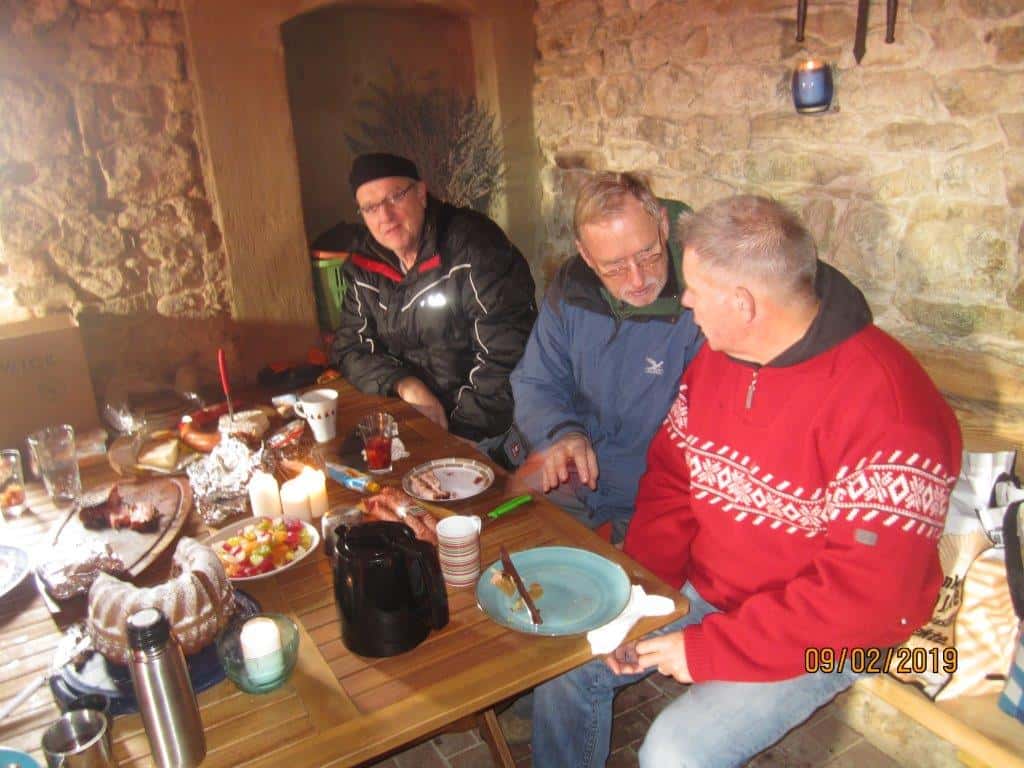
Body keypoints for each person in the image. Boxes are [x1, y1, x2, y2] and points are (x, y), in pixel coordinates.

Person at [531, 195, 962, 768]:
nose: (683, 299)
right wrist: (640, 598)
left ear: (743, 303)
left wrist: (708, 649)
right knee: (569, 662)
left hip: (833, 636)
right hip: (714, 592)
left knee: (675, 752)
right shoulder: (721, 359)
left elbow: (867, 602)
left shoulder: (889, 409)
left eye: (694, 288)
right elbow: (671, 486)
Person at [509, 172, 703, 543]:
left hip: (652, 499)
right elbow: (537, 379)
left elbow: (700, 445)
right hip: (574, 478)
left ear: (663, 224)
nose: (637, 279)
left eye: (648, 254)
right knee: (502, 541)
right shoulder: (572, 287)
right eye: (614, 267)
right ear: (585, 254)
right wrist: (560, 433)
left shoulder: (702, 300)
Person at [328, 153, 536, 449]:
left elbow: (506, 357)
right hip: (414, 418)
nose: (385, 216)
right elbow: (350, 347)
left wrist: (457, 434)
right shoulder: (364, 265)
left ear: (421, 194)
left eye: (395, 197)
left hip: (488, 429)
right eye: (371, 207)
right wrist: (403, 384)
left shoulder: (475, 249)